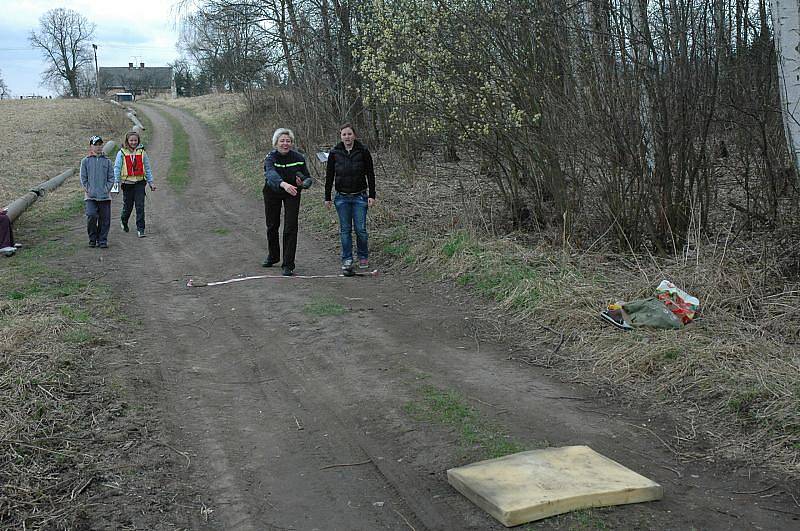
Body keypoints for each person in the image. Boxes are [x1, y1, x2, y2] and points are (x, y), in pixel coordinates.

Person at [324, 123, 376, 275]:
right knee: (345, 230)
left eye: (349, 134)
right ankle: (347, 258)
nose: (347, 137)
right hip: (342, 197)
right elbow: (329, 176)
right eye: (344, 134)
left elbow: (370, 174)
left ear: (354, 135)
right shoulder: (335, 153)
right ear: (341, 136)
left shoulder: (363, 151)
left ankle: (363, 256)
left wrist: (372, 195)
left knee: (361, 230)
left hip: (360, 196)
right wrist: (327, 197)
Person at [263, 128, 313, 276]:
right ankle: (273, 256)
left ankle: (288, 264)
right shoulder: (270, 157)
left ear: (291, 143)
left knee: (290, 226)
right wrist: (283, 184)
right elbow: (270, 174)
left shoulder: (298, 157)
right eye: (282, 141)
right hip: (273, 191)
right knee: (272, 225)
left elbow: (307, 178)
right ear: (276, 143)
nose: (285, 143)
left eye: (288, 141)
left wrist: (304, 182)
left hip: (292, 192)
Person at [114, 131, 156, 238]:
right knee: (128, 206)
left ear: (138, 141)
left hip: (140, 183)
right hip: (127, 184)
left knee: (140, 206)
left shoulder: (142, 153)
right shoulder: (121, 153)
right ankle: (124, 220)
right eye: (131, 140)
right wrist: (116, 184)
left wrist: (151, 182)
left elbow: (147, 168)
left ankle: (140, 229)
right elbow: (117, 168)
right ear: (127, 141)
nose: (133, 142)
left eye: (135, 140)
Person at [80, 135, 115, 248]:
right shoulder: (85, 161)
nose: (99, 147)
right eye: (96, 145)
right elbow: (83, 178)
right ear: (91, 146)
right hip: (90, 196)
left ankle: (102, 240)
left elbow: (111, 177)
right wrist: (88, 189)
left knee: (105, 219)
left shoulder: (107, 161)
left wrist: (106, 189)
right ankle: (92, 238)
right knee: (91, 215)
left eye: (100, 145)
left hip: (104, 196)